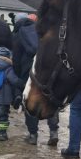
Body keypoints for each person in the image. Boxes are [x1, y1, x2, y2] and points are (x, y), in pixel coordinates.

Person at [12, 12, 59, 146]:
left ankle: (33, 135)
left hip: (28, 70)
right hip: (46, 68)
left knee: (30, 100)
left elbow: (16, 57)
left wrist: (19, 75)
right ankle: (53, 132)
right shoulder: (44, 30)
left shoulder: (20, 34)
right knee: (50, 98)